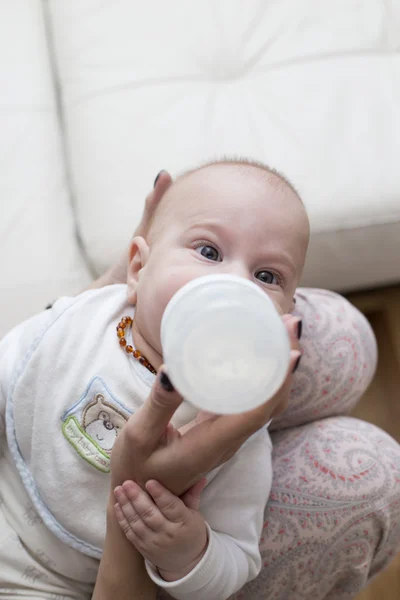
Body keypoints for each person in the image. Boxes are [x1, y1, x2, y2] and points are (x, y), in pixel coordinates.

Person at [0, 159, 306, 599]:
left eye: (266, 276)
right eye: (209, 252)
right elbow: (11, 370)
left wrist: (188, 550)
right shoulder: (80, 323)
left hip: (58, 586)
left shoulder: (230, 429)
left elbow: (238, 559)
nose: (234, 285)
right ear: (139, 269)